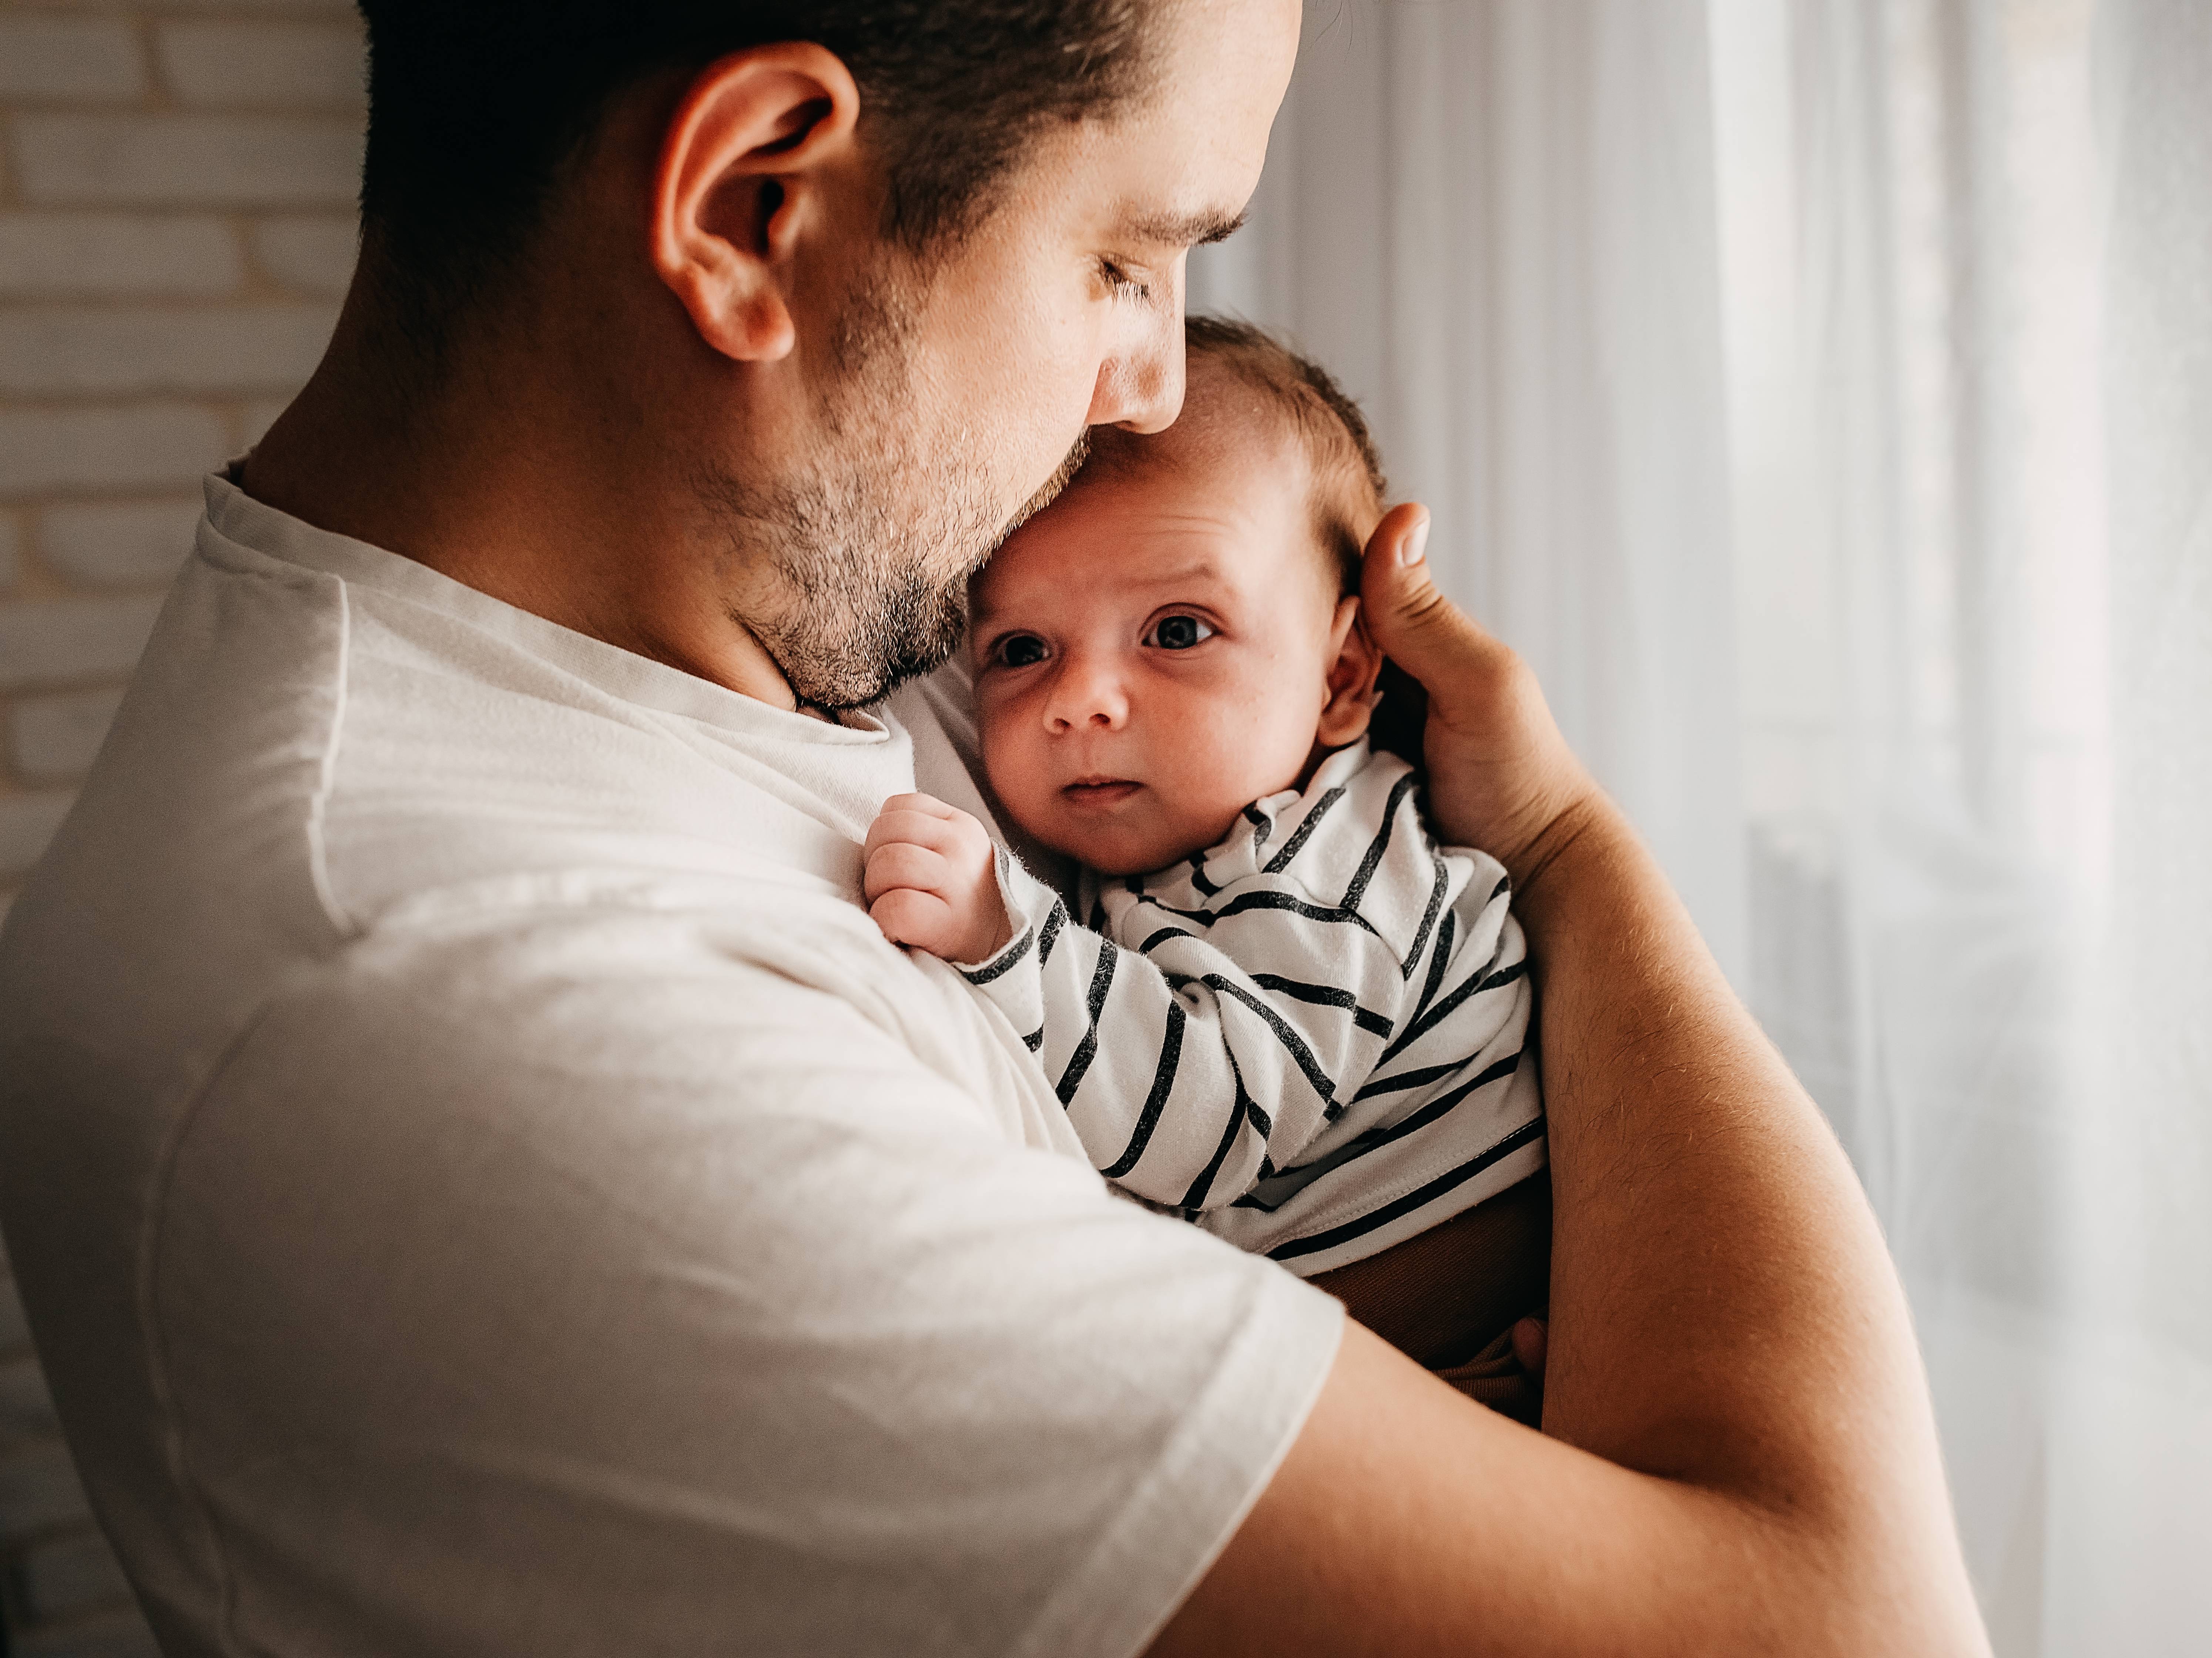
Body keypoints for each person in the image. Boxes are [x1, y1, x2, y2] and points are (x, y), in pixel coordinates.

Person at [0, 4, 1990, 1657]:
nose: (1146, 388)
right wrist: (1563, 850)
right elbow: (1850, 1621)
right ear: (755, 209)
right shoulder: (482, 1010)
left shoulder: (762, 652)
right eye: (1122, 256)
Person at [867, 320, 1551, 1411]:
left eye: (1179, 631)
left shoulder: (1329, 868)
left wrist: (1007, 937)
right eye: (1020, 650)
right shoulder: (1198, 843)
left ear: (1340, 680)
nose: (1081, 697)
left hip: (1474, 1373)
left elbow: (1209, 1122)